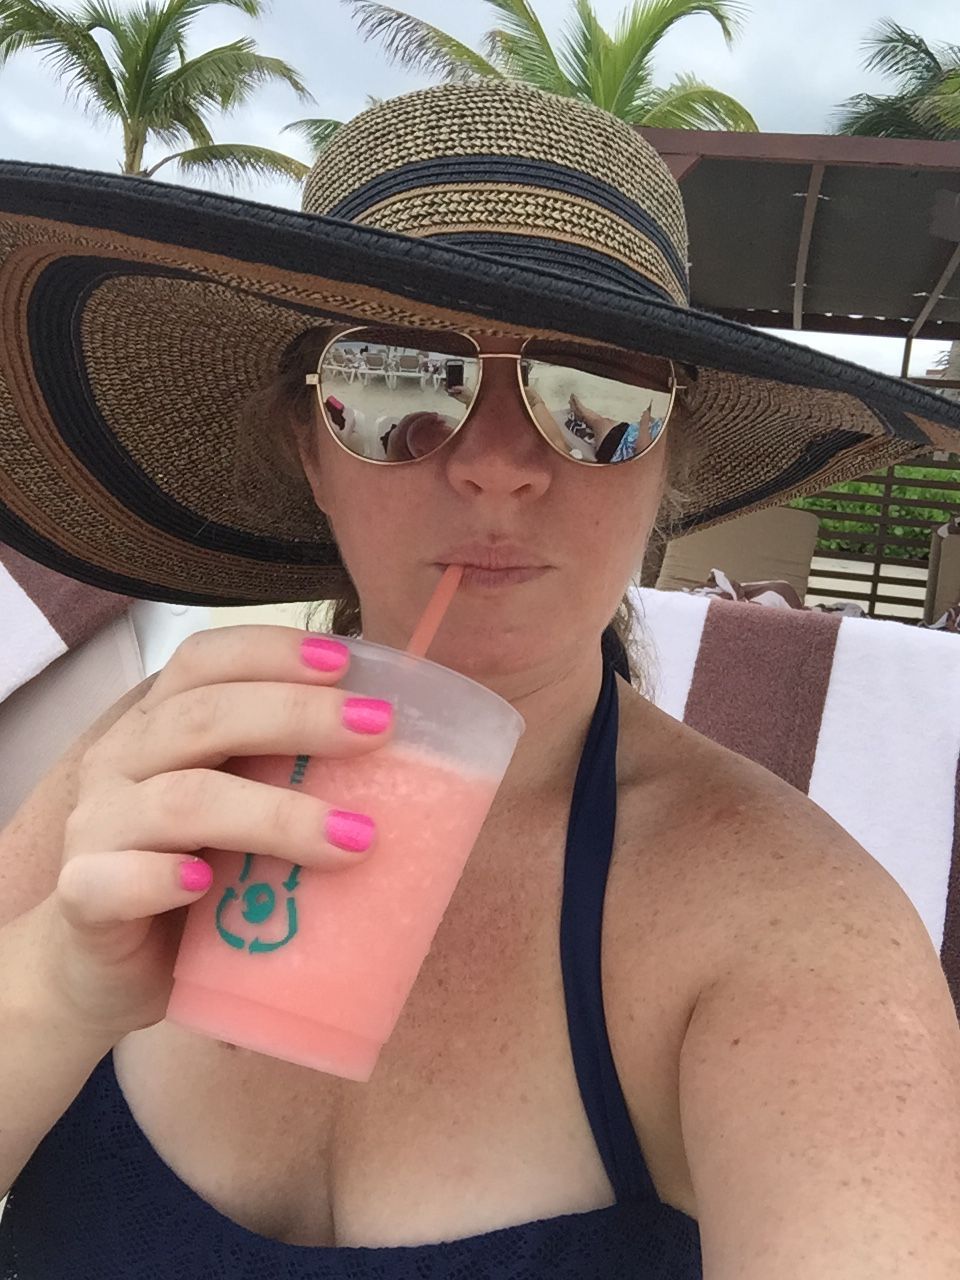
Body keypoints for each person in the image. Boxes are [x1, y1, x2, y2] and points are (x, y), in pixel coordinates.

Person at [0, 79, 958, 1279]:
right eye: (401, 383)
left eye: (597, 398)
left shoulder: (791, 933)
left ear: (665, 469)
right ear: (310, 443)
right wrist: (58, 983)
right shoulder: (156, 760)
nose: (498, 467)